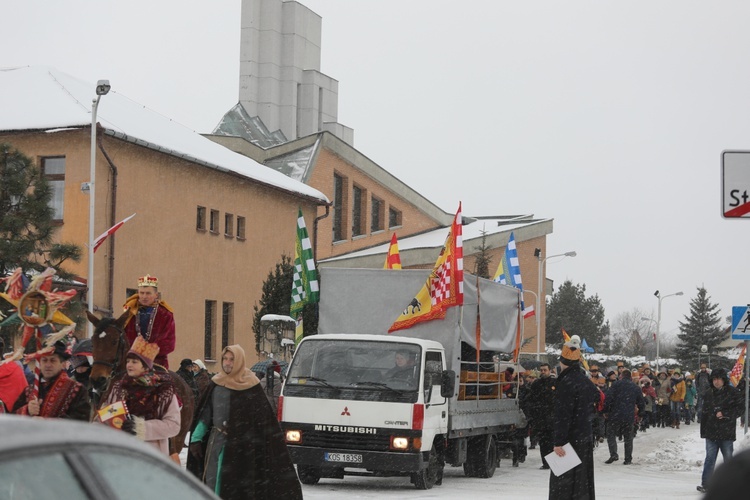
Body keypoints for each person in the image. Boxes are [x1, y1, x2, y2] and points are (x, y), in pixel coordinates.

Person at [187, 345, 302, 500]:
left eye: (232, 359)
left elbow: (263, 422)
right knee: (212, 482)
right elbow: (206, 415)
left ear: (239, 361)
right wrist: (195, 439)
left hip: (243, 450)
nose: (227, 363)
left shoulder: (251, 386)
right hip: (217, 444)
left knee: (237, 489)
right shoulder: (216, 383)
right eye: (225, 359)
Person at [97, 337, 180, 455]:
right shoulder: (119, 388)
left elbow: (173, 425)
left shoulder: (162, 390)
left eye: (134, 362)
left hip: (151, 456)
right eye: (128, 361)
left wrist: (140, 427)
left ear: (146, 367)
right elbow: (106, 417)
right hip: (121, 453)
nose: (129, 365)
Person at [548, 337, 599, 500]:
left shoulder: (565, 383)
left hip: (569, 439)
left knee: (563, 485)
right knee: (582, 482)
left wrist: (558, 442)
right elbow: (595, 403)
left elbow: (563, 415)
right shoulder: (586, 382)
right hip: (584, 437)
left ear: (563, 362)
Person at [12, 340, 90, 420]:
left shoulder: (76, 390)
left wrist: (48, 422)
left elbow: (81, 422)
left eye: (53, 360)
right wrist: (27, 410)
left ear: (63, 364)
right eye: (44, 360)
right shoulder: (30, 390)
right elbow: (12, 419)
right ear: (40, 363)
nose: (48, 365)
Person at [697, 367, 744, 494]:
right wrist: (704, 431)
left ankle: (733, 485)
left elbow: (740, 408)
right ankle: (706, 484)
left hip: (726, 431)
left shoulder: (733, 392)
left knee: (728, 460)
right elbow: (705, 412)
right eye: (714, 379)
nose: (716, 382)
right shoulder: (708, 393)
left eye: (718, 379)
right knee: (710, 459)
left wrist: (725, 413)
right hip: (711, 432)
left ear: (724, 380)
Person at [123, 274, 175, 369]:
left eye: (148, 293)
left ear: (156, 295)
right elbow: (123, 337)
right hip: (131, 363)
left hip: (156, 363)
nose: (144, 296)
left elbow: (169, 342)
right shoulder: (130, 312)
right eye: (142, 293)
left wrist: (144, 352)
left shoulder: (165, 314)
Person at [604, 369, 645, 465]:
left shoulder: (615, 385)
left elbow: (608, 398)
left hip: (615, 414)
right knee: (628, 437)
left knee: (611, 434)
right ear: (630, 377)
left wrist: (605, 411)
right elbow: (641, 402)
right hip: (628, 416)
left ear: (621, 376)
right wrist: (640, 414)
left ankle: (613, 454)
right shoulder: (635, 387)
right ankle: (628, 459)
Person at [525, 363, 556, 469]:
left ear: (549, 370)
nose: (543, 372)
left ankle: (553, 462)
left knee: (552, 442)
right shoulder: (536, 384)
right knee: (543, 442)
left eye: (545, 370)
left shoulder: (555, 383)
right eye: (541, 370)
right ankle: (546, 462)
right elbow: (530, 399)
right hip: (540, 418)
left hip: (552, 418)